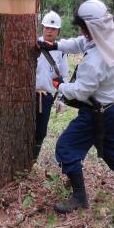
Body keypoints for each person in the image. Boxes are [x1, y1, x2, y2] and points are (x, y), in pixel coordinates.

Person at [39, 0, 114, 214]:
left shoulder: (96, 60)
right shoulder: (108, 36)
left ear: (91, 27)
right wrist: (55, 45)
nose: (82, 32)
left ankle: (79, 196)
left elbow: (82, 90)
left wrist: (62, 86)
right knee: (110, 147)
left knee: (66, 147)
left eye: (84, 28)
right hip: (113, 105)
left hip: (98, 112)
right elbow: (80, 43)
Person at [34, 10, 69, 161]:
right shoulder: (34, 44)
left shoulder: (61, 51)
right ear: (42, 28)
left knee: (41, 133)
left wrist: (61, 99)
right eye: (47, 28)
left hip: (47, 97)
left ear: (58, 31)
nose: (50, 31)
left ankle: (32, 160)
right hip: (27, 96)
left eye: (53, 29)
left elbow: (62, 76)